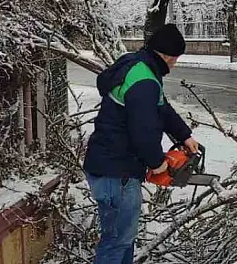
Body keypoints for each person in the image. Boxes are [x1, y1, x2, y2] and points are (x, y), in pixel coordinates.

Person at [83, 23, 199, 264]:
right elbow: (143, 131)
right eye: (176, 58)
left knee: (122, 240)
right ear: (167, 55)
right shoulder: (145, 80)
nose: (175, 64)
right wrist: (158, 164)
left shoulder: (137, 67)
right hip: (117, 173)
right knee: (116, 243)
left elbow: (161, 108)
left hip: (110, 167)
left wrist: (184, 135)